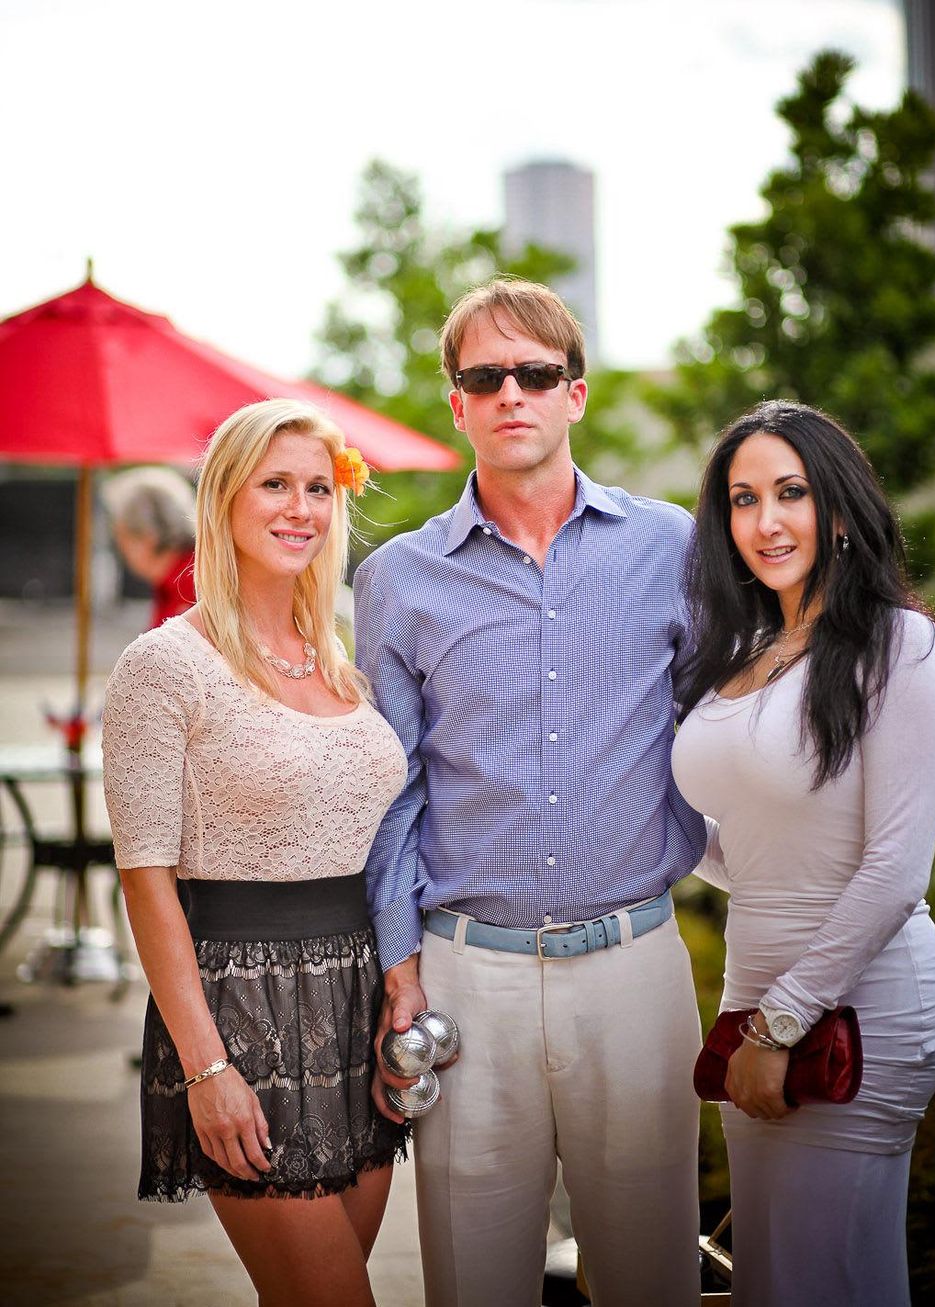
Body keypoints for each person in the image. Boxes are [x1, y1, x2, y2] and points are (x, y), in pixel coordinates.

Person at [354, 278, 706, 1306]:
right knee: (473, 1281)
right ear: (455, 402)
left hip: (634, 969)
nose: (511, 392)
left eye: (535, 372)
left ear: (575, 394)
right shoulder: (398, 580)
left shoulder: (672, 549)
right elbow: (392, 787)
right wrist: (399, 965)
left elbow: (723, 728)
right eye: (483, 375)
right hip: (469, 980)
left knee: (651, 1278)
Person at [101, 399, 406, 1307]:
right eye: (275, 484)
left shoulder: (338, 658)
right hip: (244, 1013)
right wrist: (207, 1067)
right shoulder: (164, 665)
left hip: (359, 1007)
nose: (300, 508)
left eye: (318, 486)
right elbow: (146, 883)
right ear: (224, 499)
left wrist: (399, 986)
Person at [671, 400, 935, 1307]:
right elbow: (756, 855)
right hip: (760, 1006)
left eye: (790, 493)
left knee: (821, 1279)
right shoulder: (749, 648)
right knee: (781, 1277)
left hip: (859, 1008)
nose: (765, 521)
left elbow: (893, 869)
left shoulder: (898, 646)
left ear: (838, 508)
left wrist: (780, 1023)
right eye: (743, 497)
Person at [102, 465, 196, 626]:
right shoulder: (171, 583)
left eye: (122, 537)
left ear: (147, 537)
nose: (120, 548)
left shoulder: (192, 586)